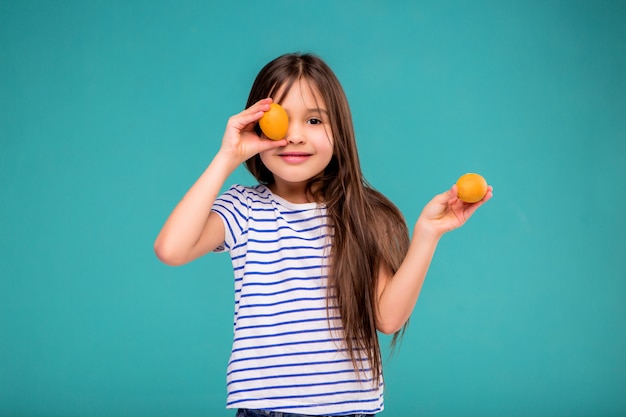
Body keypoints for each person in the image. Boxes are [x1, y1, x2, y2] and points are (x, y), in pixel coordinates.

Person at [154, 52, 492, 417]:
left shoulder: (363, 214)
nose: (295, 136)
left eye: (314, 120)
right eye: (279, 120)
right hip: (266, 410)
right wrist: (227, 156)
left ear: (339, 132)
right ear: (256, 127)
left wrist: (428, 233)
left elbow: (387, 318)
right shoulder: (244, 209)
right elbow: (172, 249)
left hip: (350, 410)